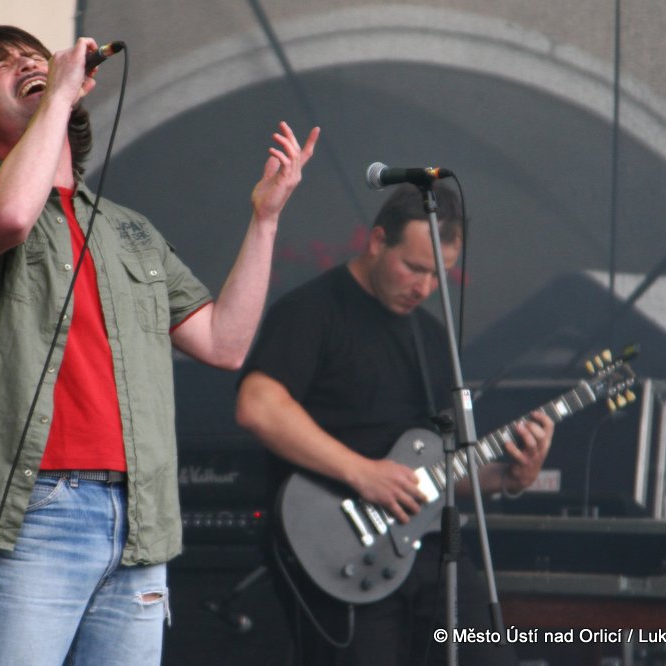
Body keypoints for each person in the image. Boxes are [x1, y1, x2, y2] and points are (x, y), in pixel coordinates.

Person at [0, 25, 317, 666]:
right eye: (2, 65)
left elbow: (225, 343)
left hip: (139, 519)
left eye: (33, 55)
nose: (28, 62)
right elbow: (11, 219)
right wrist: (58, 93)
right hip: (34, 512)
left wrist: (265, 219)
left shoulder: (128, 229)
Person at [235, 182, 554, 665]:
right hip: (342, 550)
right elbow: (258, 406)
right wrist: (363, 473)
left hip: (430, 552)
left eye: (439, 275)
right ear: (378, 240)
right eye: (414, 267)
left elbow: (439, 473)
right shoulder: (312, 311)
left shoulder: (432, 338)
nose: (424, 288)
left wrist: (508, 478)